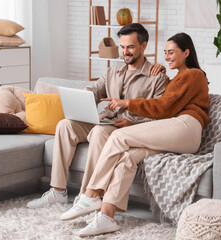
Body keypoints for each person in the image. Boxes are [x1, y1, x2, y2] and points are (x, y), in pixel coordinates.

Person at [60, 32, 210, 237]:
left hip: (187, 126)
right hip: (177, 131)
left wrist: (127, 103)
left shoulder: (194, 74)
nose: (167, 57)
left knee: (118, 137)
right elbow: (170, 99)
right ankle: (106, 216)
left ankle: (92, 193)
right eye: (165, 53)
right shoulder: (178, 78)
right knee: (127, 157)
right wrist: (164, 70)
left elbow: (165, 106)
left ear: (186, 52)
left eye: (172, 52)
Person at [26, 23, 169, 209]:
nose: (126, 52)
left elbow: (160, 113)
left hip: (127, 128)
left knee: (98, 133)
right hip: (104, 120)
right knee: (65, 125)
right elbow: (94, 90)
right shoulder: (112, 72)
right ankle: (58, 191)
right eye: (123, 47)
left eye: (131, 47)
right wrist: (83, 98)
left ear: (144, 46)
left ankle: (87, 196)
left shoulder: (156, 77)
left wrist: (132, 122)